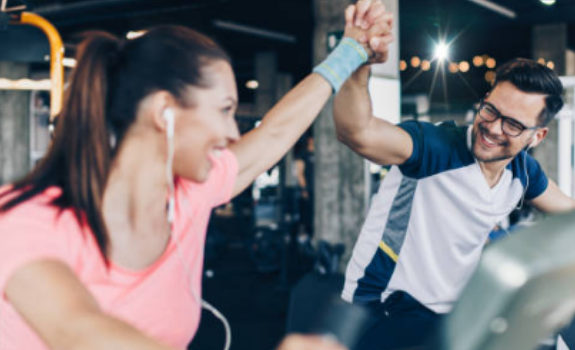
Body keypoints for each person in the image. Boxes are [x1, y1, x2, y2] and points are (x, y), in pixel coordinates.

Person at [0, 2, 393, 349]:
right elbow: (81, 334)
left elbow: (274, 132)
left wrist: (352, 51)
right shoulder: (24, 222)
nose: (233, 134)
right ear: (164, 112)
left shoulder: (188, 193)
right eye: (224, 110)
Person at [334, 52, 575, 348]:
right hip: (382, 308)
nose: (494, 128)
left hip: (449, 310)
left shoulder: (522, 173)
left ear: (537, 136)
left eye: (512, 124)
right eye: (491, 111)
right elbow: (357, 132)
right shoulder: (433, 148)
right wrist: (360, 62)